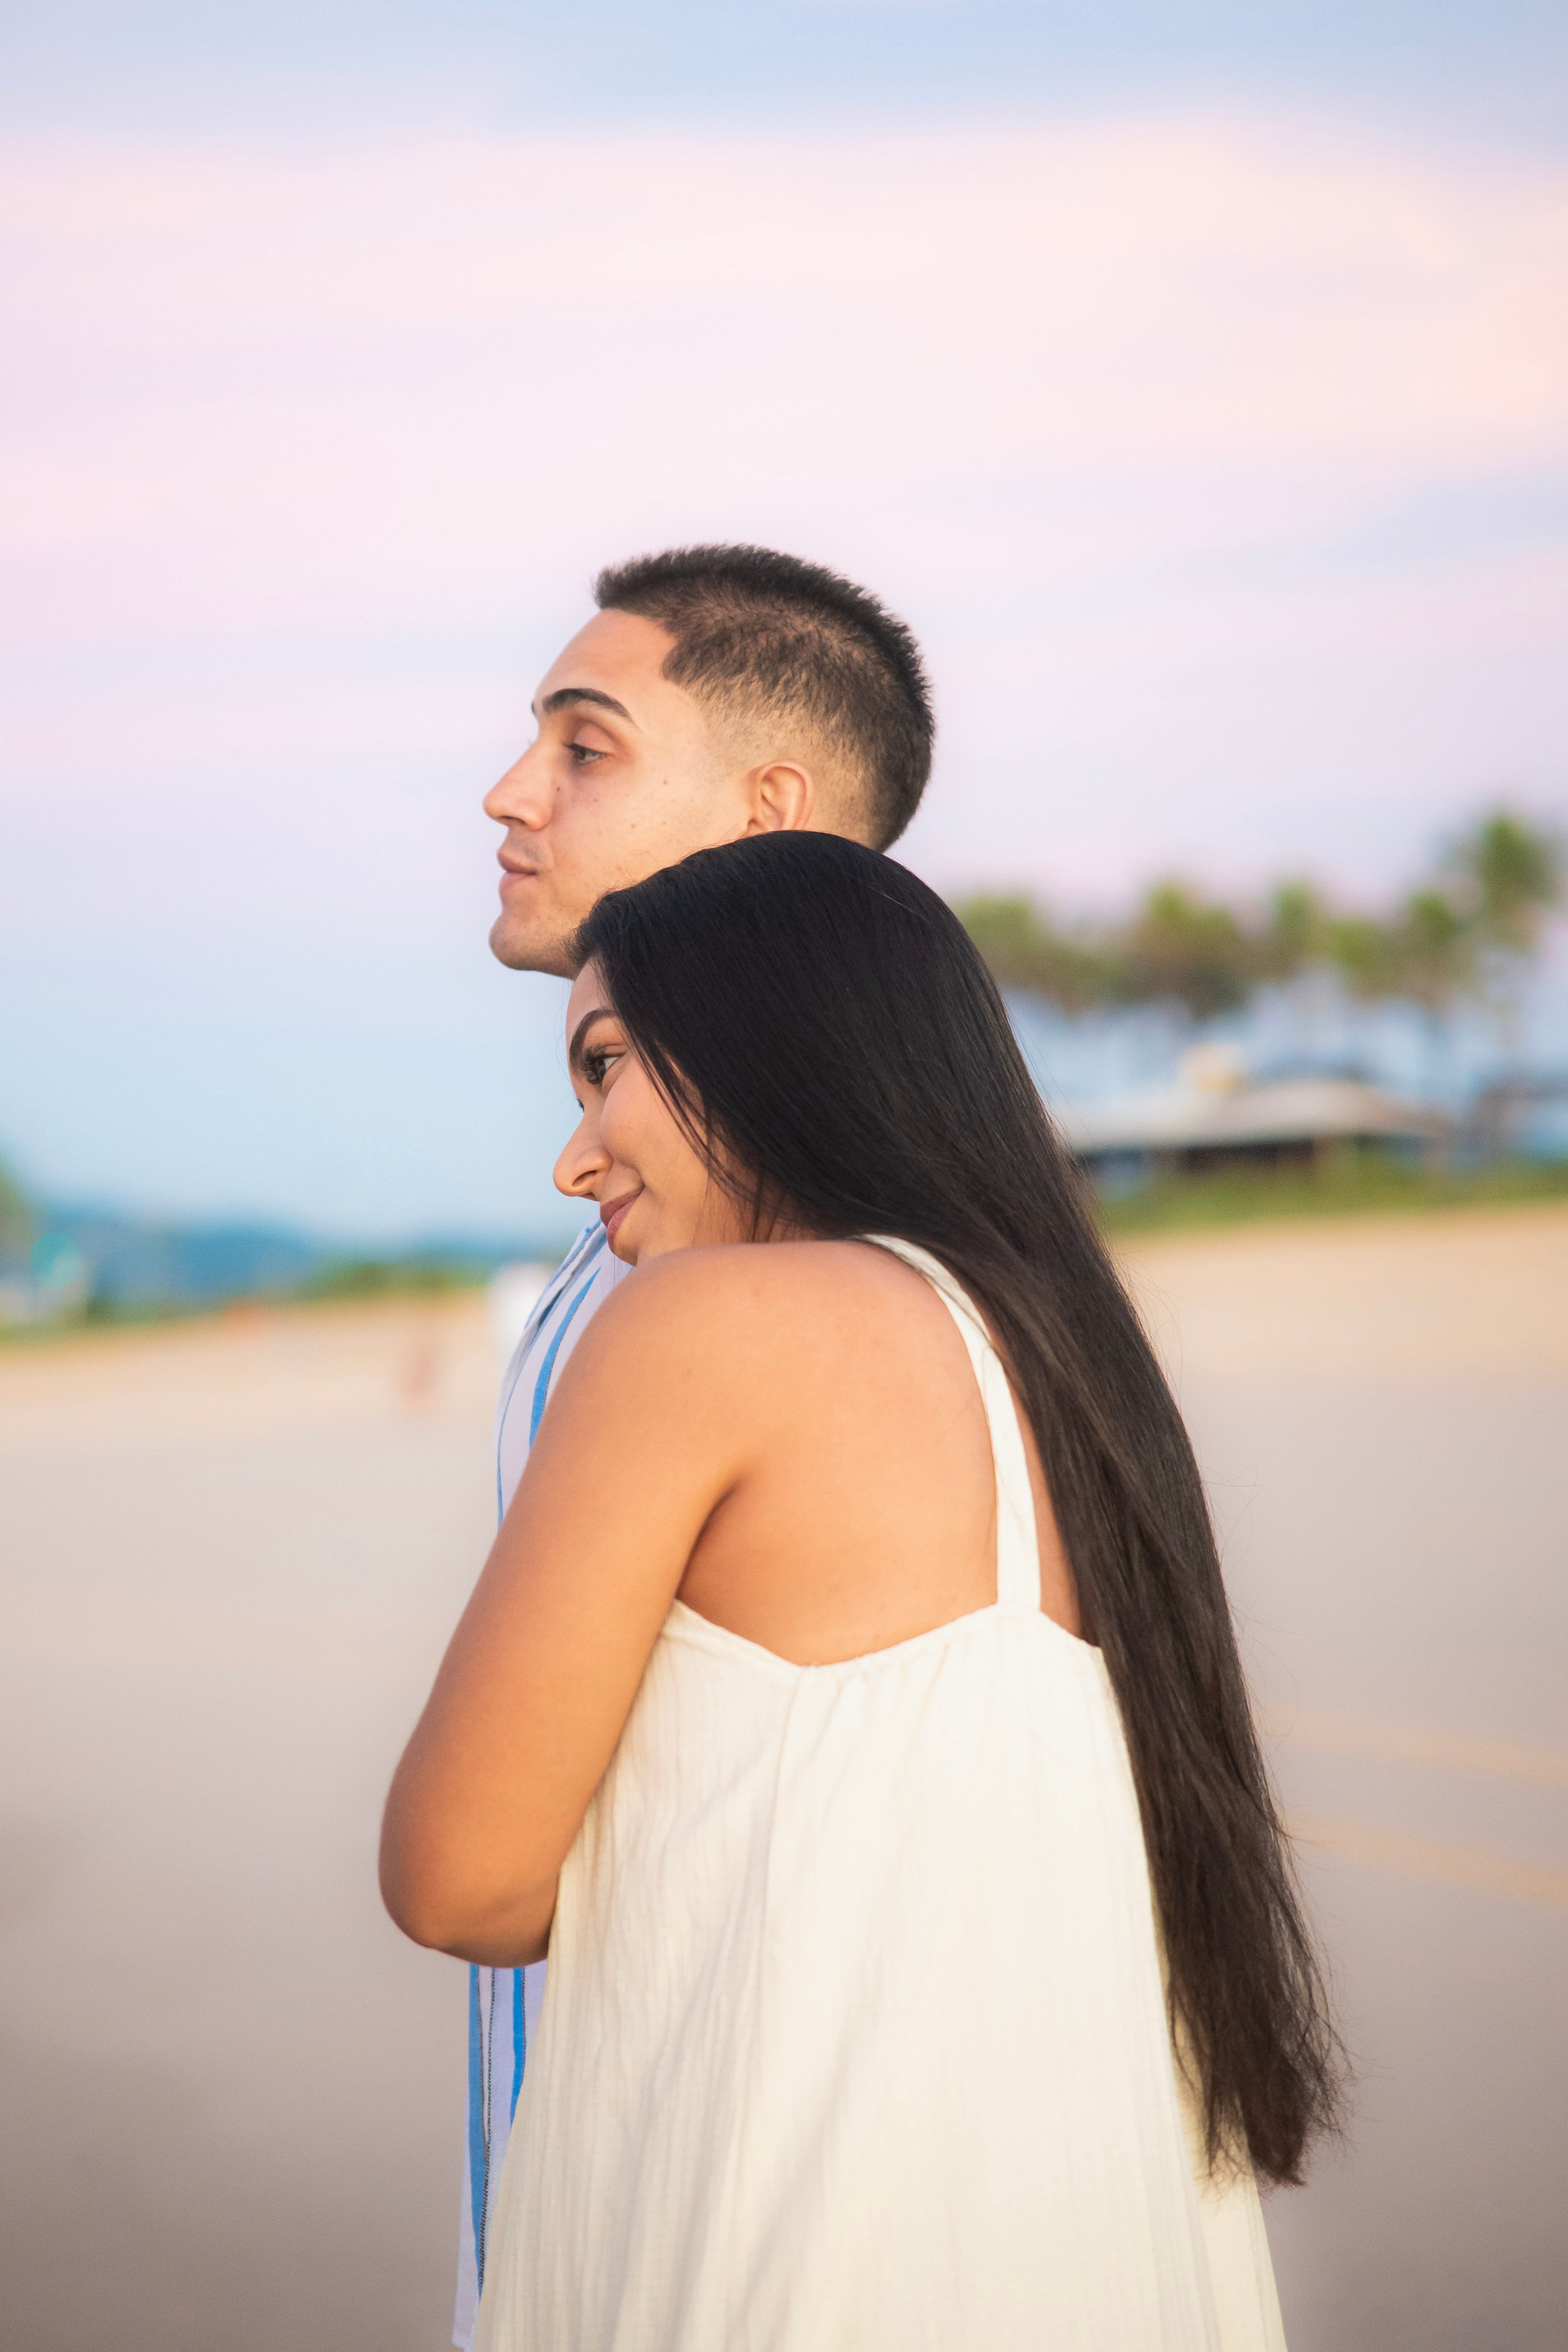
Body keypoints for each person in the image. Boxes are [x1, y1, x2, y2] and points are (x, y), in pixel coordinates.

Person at [382, 833, 1341, 2350]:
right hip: (1072, 2246)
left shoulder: (704, 1329)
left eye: (607, 1063)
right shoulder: (1070, 1371)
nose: (576, 1158)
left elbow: (458, 1879)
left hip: (794, 2236)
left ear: (772, 1036)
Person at [450, 544, 937, 2344]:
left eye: (584, 748)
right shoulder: (643, 1245)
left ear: (770, 817)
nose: (509, 794)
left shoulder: (769, 1289)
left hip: (722, 2231)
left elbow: (475, 1870)